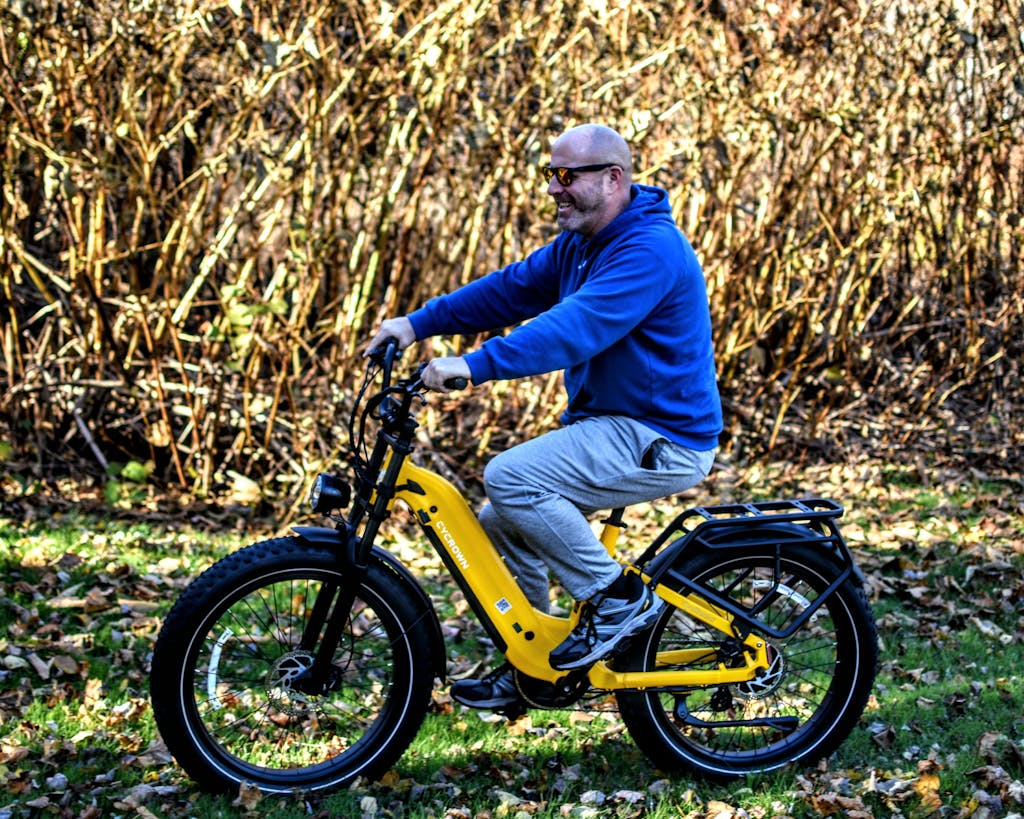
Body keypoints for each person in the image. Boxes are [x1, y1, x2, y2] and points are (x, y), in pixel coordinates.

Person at [365, 123, 722, 710]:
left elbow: (576, 328)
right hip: (613, 425)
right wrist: (416, 324)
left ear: (612, 178)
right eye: (549, 175)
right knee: (501, 520)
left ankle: (616, 599)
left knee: (511, 478)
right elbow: (509, 290)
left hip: (662, 435)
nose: (554, 188)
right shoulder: (581, 244)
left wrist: (476, 364)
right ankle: (533, 664)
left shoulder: (649, 249)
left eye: (566, 176)